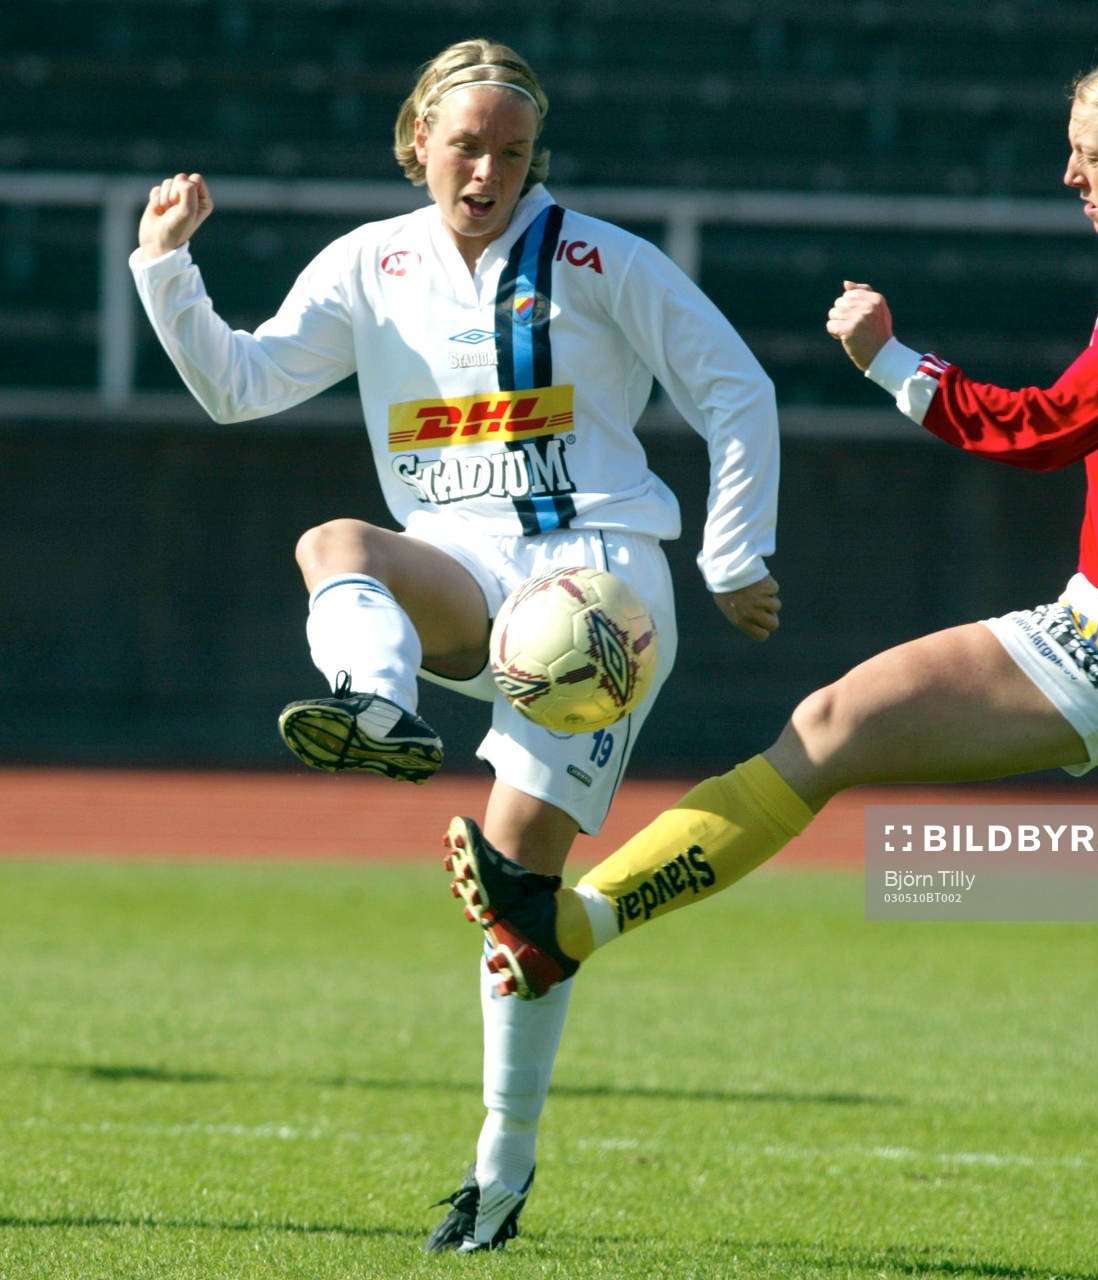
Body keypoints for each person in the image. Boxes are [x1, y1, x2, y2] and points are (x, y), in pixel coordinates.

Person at [442, 47, 1098, 1055]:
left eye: (1088, 155)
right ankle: (565, 928)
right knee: (834, 725)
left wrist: (888, 359)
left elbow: (1047, 429)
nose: (1069, 174)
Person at [130, 37, 782, 1254]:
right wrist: (166, 269)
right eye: (466, 147)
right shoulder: (369, 263)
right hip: (467, 570)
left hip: (599, 589)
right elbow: (240, 384)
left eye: (512, 152)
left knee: (516, 899)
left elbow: (736, 387)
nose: (487, 172)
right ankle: (376, 706)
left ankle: (498, 1167)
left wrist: (733, 552)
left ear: (536, 157)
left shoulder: (601, 259)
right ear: (415, 142)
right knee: (335, 542)